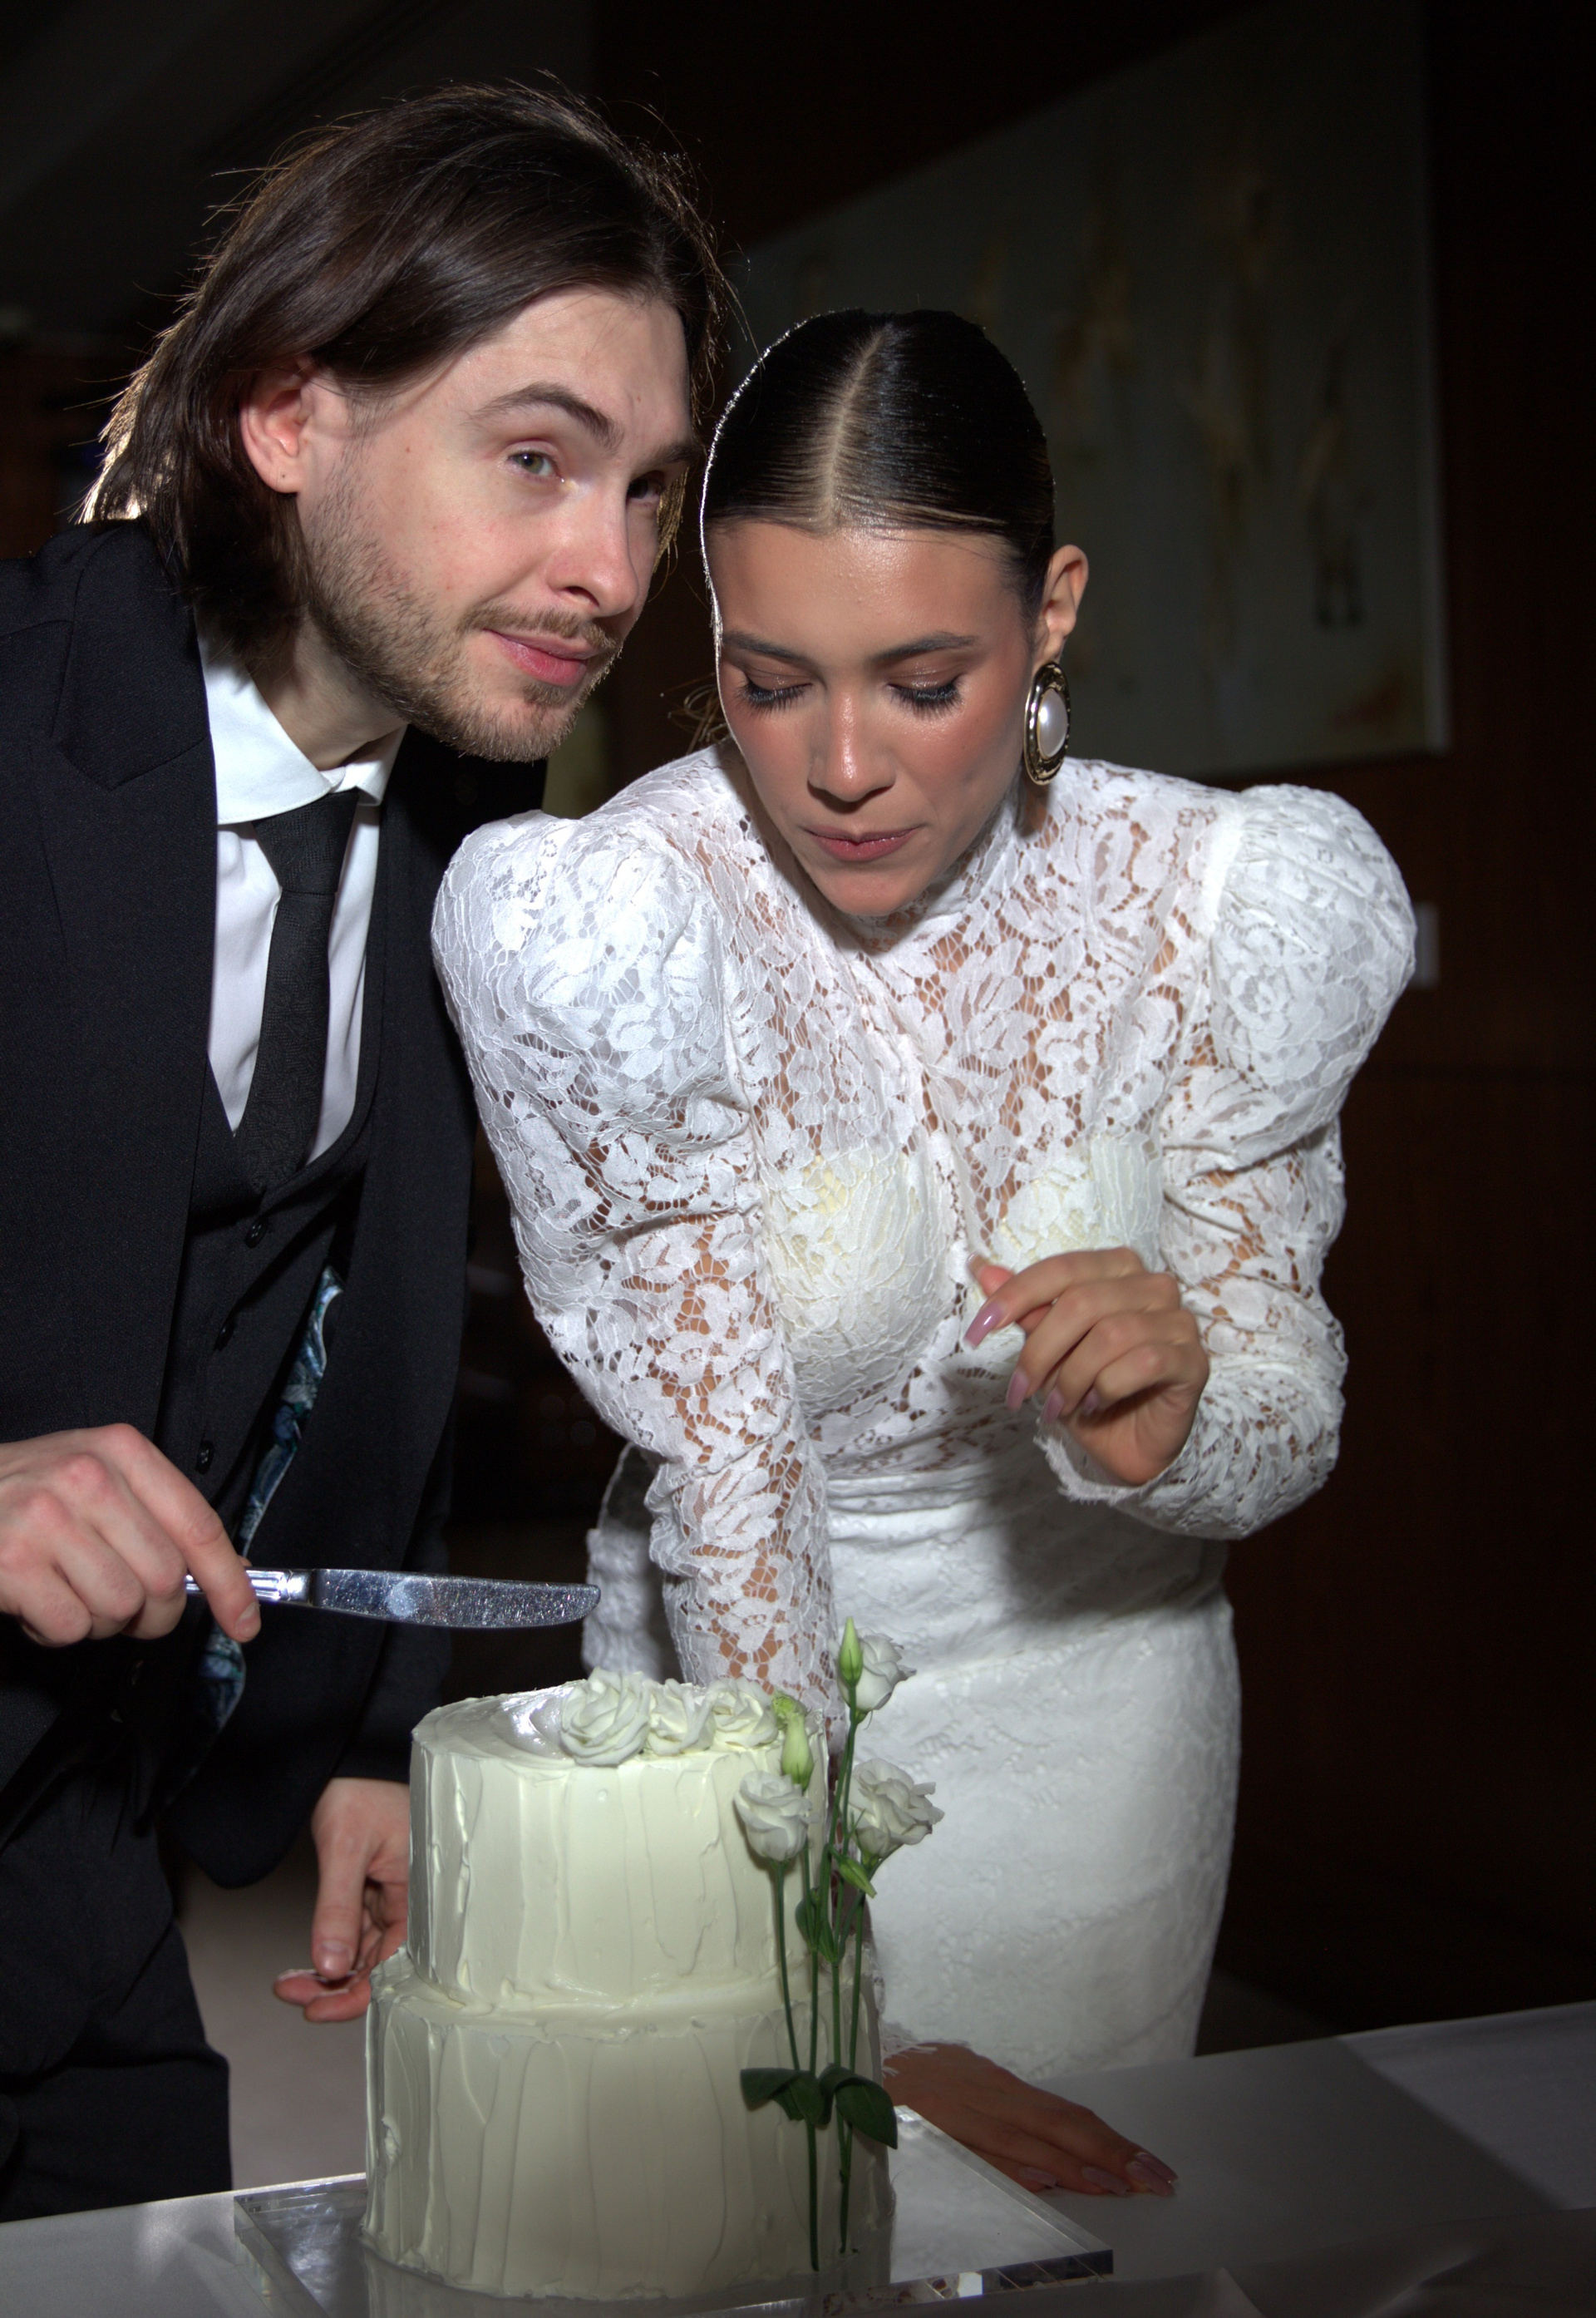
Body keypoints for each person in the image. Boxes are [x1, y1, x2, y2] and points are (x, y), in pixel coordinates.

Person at [433, 308, 1414, 2200]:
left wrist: (1183, 1421)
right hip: (737, 1704)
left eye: (923, 679)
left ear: (1052, 616)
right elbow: (736, 1496)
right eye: (768, 679)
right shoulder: (626, 926)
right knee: (752, 2218)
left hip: (1103, 1707)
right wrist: (833, 2001)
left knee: (1088, 2231)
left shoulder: (1217, 905)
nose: (841, 764)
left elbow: (1289, 1417)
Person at [0, 85, 717, 2218]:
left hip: (81, 1876)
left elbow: (340, 1311)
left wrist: (365, 1723)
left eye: (649, 490)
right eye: (536, 459)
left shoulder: (479, 839)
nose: (611, 571)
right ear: (287, 416)